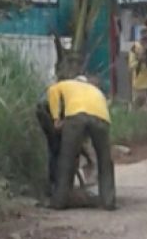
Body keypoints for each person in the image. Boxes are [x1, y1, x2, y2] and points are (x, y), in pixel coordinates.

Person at [39, 75, 116, 211]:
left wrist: (56, 119)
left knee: (66, 158)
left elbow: (52, 92)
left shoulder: (62, 85)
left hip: (76, 116)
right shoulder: (94, 90)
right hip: (102, 118)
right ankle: (109, 201)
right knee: (105, 160)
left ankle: (59, 201)